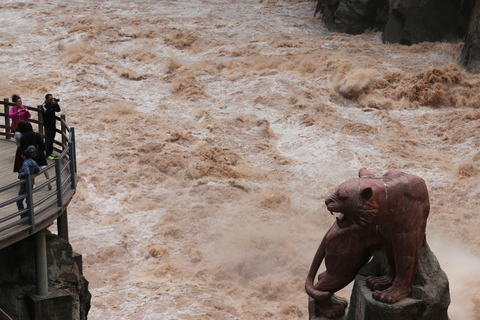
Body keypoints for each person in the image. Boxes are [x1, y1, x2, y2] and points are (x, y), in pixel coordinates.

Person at [19, 122, 52, 190]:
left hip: (30, 155)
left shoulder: (23, 137)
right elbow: (42, 145)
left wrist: (23, 156)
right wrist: (43, 150)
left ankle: (33, 184)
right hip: (38, 153)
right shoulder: (36, 134)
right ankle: (48, 180)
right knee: (43, 166)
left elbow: (21, 148)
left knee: (32, 169)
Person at [17, 147, 40, 218]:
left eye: (22, 155)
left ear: (24, 156)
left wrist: (21, 175)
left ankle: (23, 216)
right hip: (30, 183)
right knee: (28, 200)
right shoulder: (33, 161)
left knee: (19, 201)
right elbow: (38, 169)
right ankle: (30, 214)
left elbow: (27, 172)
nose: (21, 156)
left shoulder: (25, 163)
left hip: (25, 184)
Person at [40, 93, 60, 160]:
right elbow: (47, 112)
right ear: (47, 99)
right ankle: (47, 155)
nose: (52, 100)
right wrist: (52, 106)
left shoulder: (52, 104)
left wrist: (56, 104)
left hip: (53, 124)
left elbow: (58, 110)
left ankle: (50, 153)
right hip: (47, 125)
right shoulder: (44, 105)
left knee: (52, 139)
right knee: (48, 140)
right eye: (50, 99)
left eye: (52, 98)